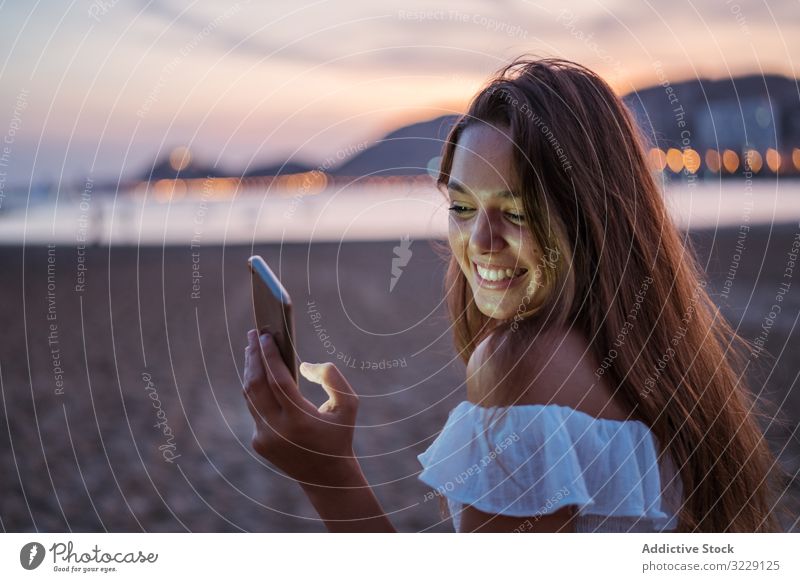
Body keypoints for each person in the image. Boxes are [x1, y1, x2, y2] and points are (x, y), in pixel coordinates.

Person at [241, 56, 785, 532]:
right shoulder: (656, 359)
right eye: (461, 207)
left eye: (517, 211)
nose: (479, 242)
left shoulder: (522, 364)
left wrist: (325, 470)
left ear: (591, 217)